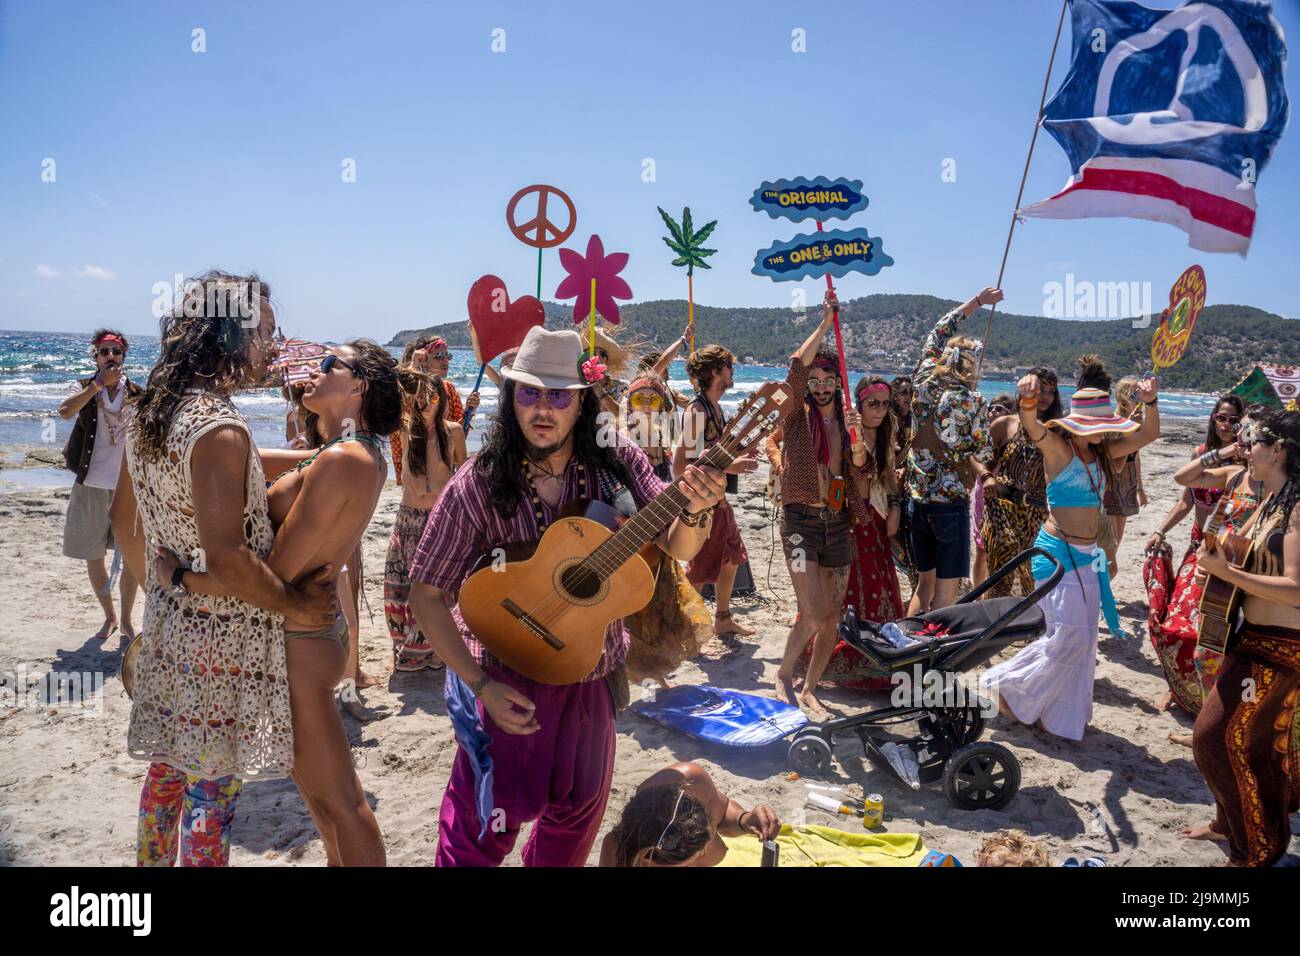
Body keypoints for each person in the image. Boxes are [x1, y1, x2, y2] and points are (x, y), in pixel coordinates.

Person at [407, 326, 726, 867]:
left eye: (558, 395)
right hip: (507, 678)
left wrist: (698, 506)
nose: (543, 409)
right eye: (529, 393)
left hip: (589, 676)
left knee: (573, 825)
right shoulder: (479, 482)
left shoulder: (616, 458)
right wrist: (480, 687)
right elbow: (426, 594)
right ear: (512, 400)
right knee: (477, 832)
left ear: (583, 400)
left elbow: (677, 545)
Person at [152, 339, 428, 865]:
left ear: (358, 387)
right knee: (323, 806)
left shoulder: (345, 459)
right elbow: (256, 463)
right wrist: (205, 445)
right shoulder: (346, 452)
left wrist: (182, 578)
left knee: (343, 804)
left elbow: (273, 573)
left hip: (300, 645)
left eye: (331, 365)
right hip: (299, 641)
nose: (316, 371)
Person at [108, 271, 337, 866]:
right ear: (228, 336)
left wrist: (169, 582)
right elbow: (231, 557)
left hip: (170, 627)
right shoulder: (220, 427)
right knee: (213, 792)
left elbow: (134, 509)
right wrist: (295, 604)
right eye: (264, 330)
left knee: (166, 777)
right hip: (222, 639)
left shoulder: (154, 411)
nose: (273, 343)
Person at [984, 356, 1160, 740]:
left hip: (1086, 557)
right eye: (1098, 426)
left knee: (1080, 641)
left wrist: (1150, 403)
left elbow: (1147, 436)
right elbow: (1031, 427)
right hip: (1056, 555)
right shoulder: (1059, 450)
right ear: (1080, 424)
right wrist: (1027, 401)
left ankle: (1054, 713)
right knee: (1066, 639)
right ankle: (1006, 687)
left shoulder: (1102, 453)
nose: (1104, 432)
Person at [1183, 410, 1300, 866]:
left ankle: (1256, 850)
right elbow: (1233, 546)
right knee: (1240, 742)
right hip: (1249, 636)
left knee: (1214, 741)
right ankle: (1232, 829)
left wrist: (1227, 569)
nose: (1247, 448)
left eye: (1255, 442)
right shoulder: (1273, 499)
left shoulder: (1296, 507)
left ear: (1278, 451)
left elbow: (1296, 589)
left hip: (1281, 648)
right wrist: (1216, 550)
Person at [772, 292, 869, 716]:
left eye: (829, 377)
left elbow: (861, 471)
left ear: (837, 381)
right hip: (800, 523)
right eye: (816, 378)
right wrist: (827, 322)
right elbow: (795, 365)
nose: (822, 384)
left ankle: (811, 687)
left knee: (831, 618)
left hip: (838, 524)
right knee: (811, 614)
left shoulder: (847, 419)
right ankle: (783, 673)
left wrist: (859, 439)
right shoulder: (795, 413)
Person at [1146, 404, 1264, 734]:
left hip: (1239, 568)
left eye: (1238, 424)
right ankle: (1190, 698)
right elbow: (1185, 488)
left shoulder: (1268, 481)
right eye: (1223, 418)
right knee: (1183, 629)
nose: (1230, 426)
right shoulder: (1231, 471)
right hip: (1207, 554)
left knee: (1225, 647)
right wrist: (1161, 530)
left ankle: (1219, 720)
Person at [795, 375, 902, 690]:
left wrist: (895, 504)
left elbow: (888, 475)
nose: (880, 410)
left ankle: (878, 649)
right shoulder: (844, 428)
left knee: (878, 583)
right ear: (860, 402)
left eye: (885, 403)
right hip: (848, 516)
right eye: (873, 403)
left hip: (877, 516)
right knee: (842, 589)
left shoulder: (886, 431)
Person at [904, 288, 1001, 614]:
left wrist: (977, 301)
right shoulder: (973, 401)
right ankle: (931, 655)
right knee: (948, 592)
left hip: (917, 501)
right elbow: (984, 451)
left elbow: (939, 329)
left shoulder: (921, 379)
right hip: (950, 505)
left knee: (923, 585)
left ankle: (907, 643)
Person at [59, 329, 142, 642]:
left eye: (116, 352)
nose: (110, 357)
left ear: (123, 357)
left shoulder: (136, 393)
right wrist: (96, 386)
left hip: (126, 487)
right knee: (94, 555)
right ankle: (109, 616)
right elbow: (65, 411)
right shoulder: (83, 386)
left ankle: (127, 621)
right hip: (91, 484)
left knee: (132, 557)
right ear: (95, 356)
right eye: (104, 351)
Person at [675, 343, 758, 637]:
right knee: (700, 568)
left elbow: (711, 453)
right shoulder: (697, 410)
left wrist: (739, 453)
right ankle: (686, 629)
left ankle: (722, 618)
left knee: (733, 556)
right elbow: (682, 462)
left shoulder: (715, 409)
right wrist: (731, 466)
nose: (732, 372)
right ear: (716, 372)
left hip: (716, 499)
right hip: (702, 503)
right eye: (729, 367)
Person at [386, 373, 466, 672]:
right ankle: (410, 649)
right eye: (420, 397)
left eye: (432, 396)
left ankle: (434, 649)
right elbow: (393, 385)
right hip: (408, 518)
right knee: (404, 583)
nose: (426, 402)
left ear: (442, 399)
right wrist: (414, 370)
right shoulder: (405, 429)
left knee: (435, 585)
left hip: (438, 518)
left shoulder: (453, 432)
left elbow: (461, 473)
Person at [599, 762, 780, 866]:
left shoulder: (694, 783)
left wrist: (744, 820)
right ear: (645, 858)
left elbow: (723, 812)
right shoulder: (618, 854)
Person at [979, 368, 1060, 599]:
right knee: (1000, 575)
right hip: (1001, 508)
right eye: (1039, 389)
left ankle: (1026, 630)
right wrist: (987, 476)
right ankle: (992, 628)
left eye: (1050, 392)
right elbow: (977, 456)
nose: (1044, 396)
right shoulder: (1005, 424)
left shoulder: (1057, 429)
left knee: (1031, 577)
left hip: (1036, 513)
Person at [391, 336, 474, 482]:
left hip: (442, 470)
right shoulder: (409, 389)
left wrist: (469, 411)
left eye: (447, 355)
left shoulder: (449, 389)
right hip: (415, 468)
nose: (445, 361)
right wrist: (413, 367)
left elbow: (457, 435)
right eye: (439, 356)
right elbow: (396, 412)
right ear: (423, 359)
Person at [1101, 377, 1148, 575]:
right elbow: (1113, 461)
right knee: (1109, 541)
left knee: (1118, 538)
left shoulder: (1137, 422)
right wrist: (1128, 428)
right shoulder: (1113, 422)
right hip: (1113, 483)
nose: (1139, 399)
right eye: (1135, 395)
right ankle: (1104, 580)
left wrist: (1139, 487)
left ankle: (1105, 583)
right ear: (1124, 396)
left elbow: (1135, 455)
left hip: (1127, 482)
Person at [971, 393, 1016, 588]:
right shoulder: (981, 435)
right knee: (981, 549)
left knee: (999, 549)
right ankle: (978, 593)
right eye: (991, 407)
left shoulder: (1014, 440)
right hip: (981, 494)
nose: (992, 411)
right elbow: (971, 458)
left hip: (1004, 498)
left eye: (999, 409)